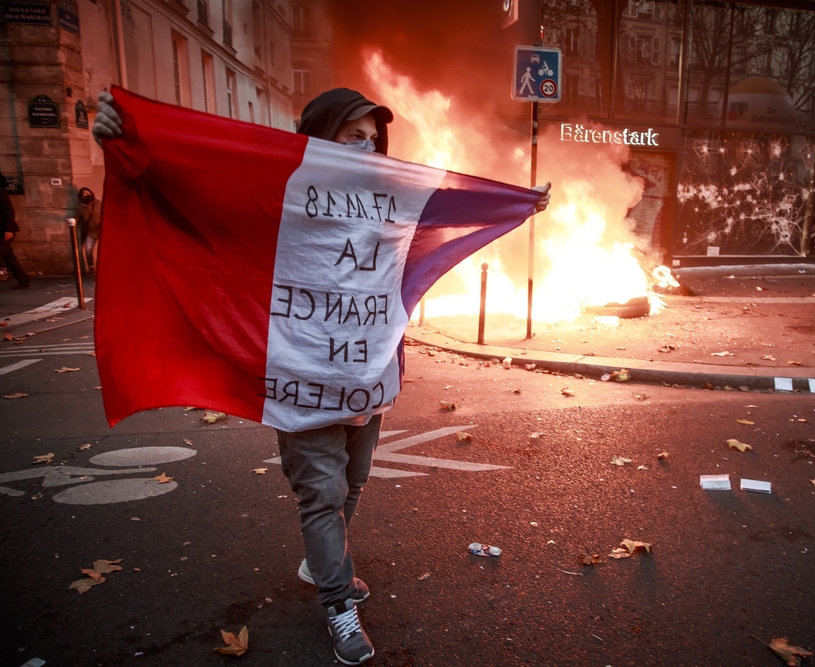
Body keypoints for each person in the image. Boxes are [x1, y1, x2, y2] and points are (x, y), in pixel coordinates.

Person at [93, 88, 550, 665]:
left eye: (372, 139)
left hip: (367, 376)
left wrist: (516, 203)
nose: (366, 147)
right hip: (302, 380)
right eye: (351, 137)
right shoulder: (275, 193)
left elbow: (453, 208)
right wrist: (127, 137)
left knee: (352, 484)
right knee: (323, 496)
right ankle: (338, 605)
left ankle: (320, 564)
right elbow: (197, 187)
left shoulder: (391, 198)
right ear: (318, 140)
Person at [1, 172, 31, 290]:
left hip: (5, 231)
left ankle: (24, 280)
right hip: (2, 231)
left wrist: (9, 230)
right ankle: (24, 280)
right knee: (9, 258)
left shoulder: (1, 192)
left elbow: (9, 211)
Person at [75, 187, 102, 273]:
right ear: (81, 196)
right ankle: (91, 269)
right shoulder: (80, 207)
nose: (87, 195)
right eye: (84, 194)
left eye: (88, 193)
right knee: (88, 251)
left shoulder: (99, 203)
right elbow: (77, 218)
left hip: (102, 231)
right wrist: (71, 220)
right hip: (90, 232)